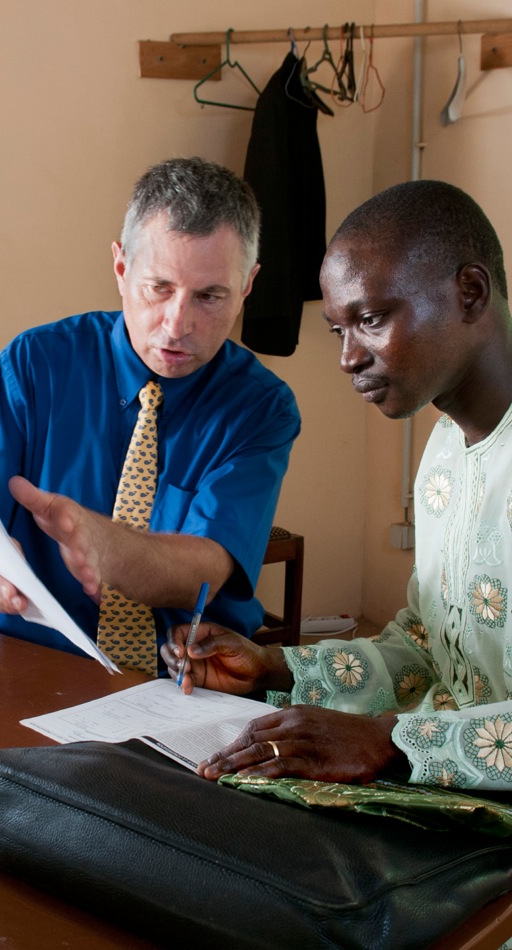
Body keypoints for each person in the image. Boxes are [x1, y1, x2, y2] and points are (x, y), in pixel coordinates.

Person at [162, 179, 512, 791]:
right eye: (338, 331)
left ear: (470, 293)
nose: (349, 357)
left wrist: (390, 743)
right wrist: (274, 669)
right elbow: (428, 646)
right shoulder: (444, 451)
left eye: (370, 320)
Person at [0, 157, 300, 665]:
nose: (177, 323)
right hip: (24, 664)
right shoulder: (34, 365)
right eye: (158, 288)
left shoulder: (261, 406)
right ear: (121, 268)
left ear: (247, 286)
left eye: (209, 296)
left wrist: (101, 543)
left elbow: (205, 571)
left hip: (179, 679)